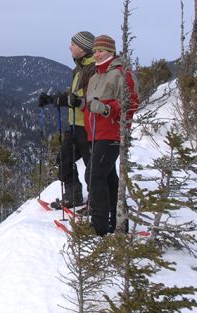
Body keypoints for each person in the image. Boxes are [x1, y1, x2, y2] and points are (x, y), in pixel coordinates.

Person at [82, 34, 138, 235]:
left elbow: (131, 103)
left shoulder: (121, 74)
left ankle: (98, 226)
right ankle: (116, 222)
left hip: (113, 133)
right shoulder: (95, 76)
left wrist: (106, 109)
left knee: (94, 175)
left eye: (101, 51)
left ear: (111, 52)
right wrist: (78, 104)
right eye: (95, 50)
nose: (97, 54)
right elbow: (91, 106)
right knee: (108, 178)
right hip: (96, 133)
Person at [38, 31, 96, 209]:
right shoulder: (79, 69)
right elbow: (74, 95)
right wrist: (54, 99)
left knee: (92, 166)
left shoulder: (93, 69)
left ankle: (97, 203)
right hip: (75, 124)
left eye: (73, 44)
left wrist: (67, 101)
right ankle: (73, 194)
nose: (70, 47)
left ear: (83, 48)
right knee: (63, 158)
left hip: (87, 125)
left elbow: (89, 98)